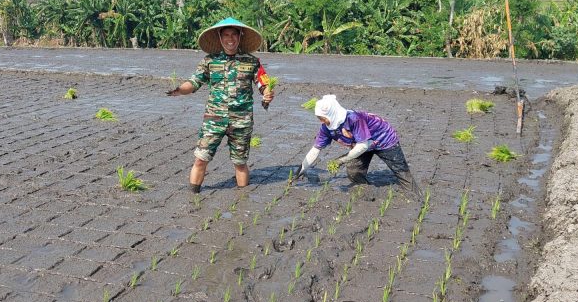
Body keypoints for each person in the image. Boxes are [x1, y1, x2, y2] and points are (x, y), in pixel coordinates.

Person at [167, 17, 275, 192]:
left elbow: (264, 83)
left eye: (234, 34)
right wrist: (179, 90)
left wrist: (268, 94)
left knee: (240, 163)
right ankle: (192, 197)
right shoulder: (209, 61)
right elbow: (193, 83)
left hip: (242, 120)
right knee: (201, 159)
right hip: (214, 120)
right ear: (219, 36)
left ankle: (242, 202)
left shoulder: (252, 62)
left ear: (240, 36)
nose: (230, 39)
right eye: (226, 35)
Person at [295, 94, 421, 197]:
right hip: (362, 144)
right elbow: (315, 149)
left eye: (323, 118)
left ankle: (416, 197)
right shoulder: (326, 128)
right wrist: (301, 170)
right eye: (319, 118)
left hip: (383, 139)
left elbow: (363, 146)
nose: (322, 121)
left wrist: (341, 160)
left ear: (331, 114)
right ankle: (366, 191)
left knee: (401, 172)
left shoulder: (354, 119)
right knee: (354, 171)